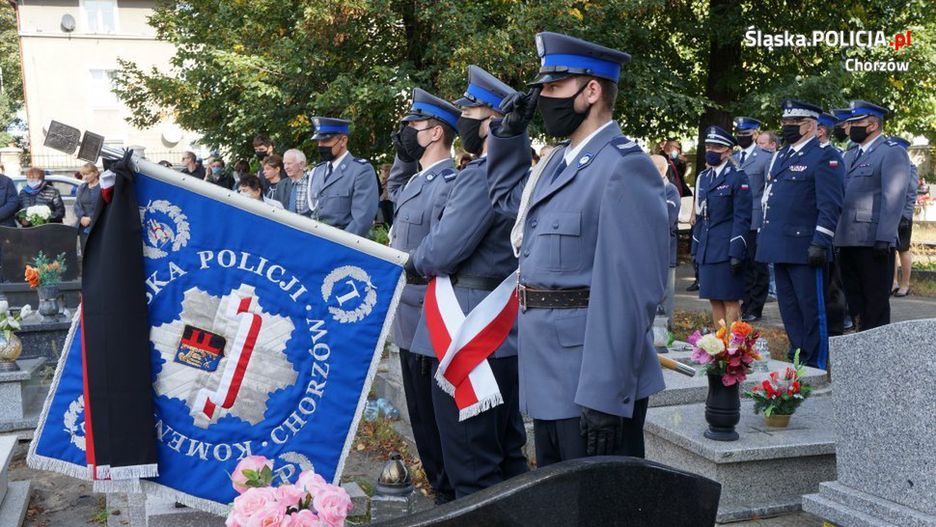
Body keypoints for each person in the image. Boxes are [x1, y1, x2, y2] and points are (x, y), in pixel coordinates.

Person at [486, 31, 667, 465]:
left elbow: (628, 295)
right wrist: (509, 137)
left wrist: (605, 394)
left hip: (590, 382)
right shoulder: (555, 162)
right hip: (548, 372)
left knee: (599, 499)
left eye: (554, 87)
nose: (543, 99)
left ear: (591, 91)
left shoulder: (623, 167)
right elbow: (509, 202)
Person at [405, 65, 528, 498]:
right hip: (497, 330)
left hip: (467, 332)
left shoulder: (482, 174)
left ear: (492, 121)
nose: (463, 120)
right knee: (506, 456)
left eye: (470, 112)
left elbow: (443, 249)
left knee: (471, 469)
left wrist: (414, 261)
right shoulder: (516, 172)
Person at [386, 87, 461, 504]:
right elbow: (396, 188)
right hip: (408, 316)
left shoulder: (448, 184)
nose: (406, 132)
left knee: (434, 421)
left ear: (435, 133)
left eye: (413, 126)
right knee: (418, 416)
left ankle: (448, 495)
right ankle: (439, 489)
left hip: (429, 316)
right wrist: (404, 152)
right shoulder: (419, 180)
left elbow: (439, 251)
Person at [757, 99, 844, 368]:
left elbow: (830, 205)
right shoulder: (782, 155)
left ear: (809, 126)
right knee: (789, 308)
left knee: (811, 309)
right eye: (784, 122)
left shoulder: (825, 156)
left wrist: (821, 241)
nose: (786, 127)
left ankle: (814, 364)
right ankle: (797, 355)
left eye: (792, 123)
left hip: (806, 245)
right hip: (780, 244)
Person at [835, 100, 911, 331]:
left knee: (875, 304)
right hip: (847, 239)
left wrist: (885, 237)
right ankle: (860, 344)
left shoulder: (891, 152)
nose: (850, 127)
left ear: (873, 125)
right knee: (855, 301)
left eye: (856, 122)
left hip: (873, 241)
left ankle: (877, 349)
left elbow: (893, 197)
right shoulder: (850, 155)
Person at [695, 126, 751, 325]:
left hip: (727, 248)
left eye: (716, 147)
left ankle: (733, 341)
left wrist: (736, 251)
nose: (711, 151)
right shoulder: (704, 177)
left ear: (727, 151)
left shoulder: (737, 177)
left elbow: (742, 217)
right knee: (714, 298)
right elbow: (700, 215)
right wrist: (695, 247)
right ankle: (718, 340)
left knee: (729, 299)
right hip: (707, 248)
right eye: (708, 146)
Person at [306, 117, 378, 236]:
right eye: (318, 141)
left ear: (343, 141)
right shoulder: (317, 171)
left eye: (326, 140)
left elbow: (362, 220)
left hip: (342, 242)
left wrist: (338, 244)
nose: (321, 145)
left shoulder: (361, 170)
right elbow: (309, 212)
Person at [732, 117, 772, 323]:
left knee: (757, 265)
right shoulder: (733, 157)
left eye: (745, 134)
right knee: (741, 264)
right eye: (739, 134)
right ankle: (744, 303)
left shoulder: (765, 158)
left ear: (755, 135)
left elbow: (768, 191)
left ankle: (755, 307)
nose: (741, 137)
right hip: (737, 218)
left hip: (757, 218)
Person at [651, 154, 680, 328]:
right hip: (647, 254)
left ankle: (665, 334)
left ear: (661, 170)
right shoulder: (646, 189)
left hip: (664, 253)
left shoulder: (670, 190)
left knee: (664, 297)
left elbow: (665, 221)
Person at [891, 136, 917, 297]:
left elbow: (911, 193)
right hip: (890, 214)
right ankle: (893, 282)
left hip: (903, 216)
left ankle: (905, 284)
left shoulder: (910, 168)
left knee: (903, 249)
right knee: (891, 250)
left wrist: (905, 216)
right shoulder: (893, 166)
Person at [74, 162, 102, 248]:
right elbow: (77, 205)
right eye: (83, 174)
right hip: (84, 225)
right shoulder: (82, 187)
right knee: (85, 249)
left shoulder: (102, 187)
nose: (85, 177)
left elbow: (104, 206)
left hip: (98, 224)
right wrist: (82, 217)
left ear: (96, 173)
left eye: (87, 174)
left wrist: (91, 218)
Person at [283, 149, 312, 217]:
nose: (285, 167)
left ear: (301, 164)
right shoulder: (281, 185)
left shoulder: (313, 182)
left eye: (289, 163)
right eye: (284, 163)